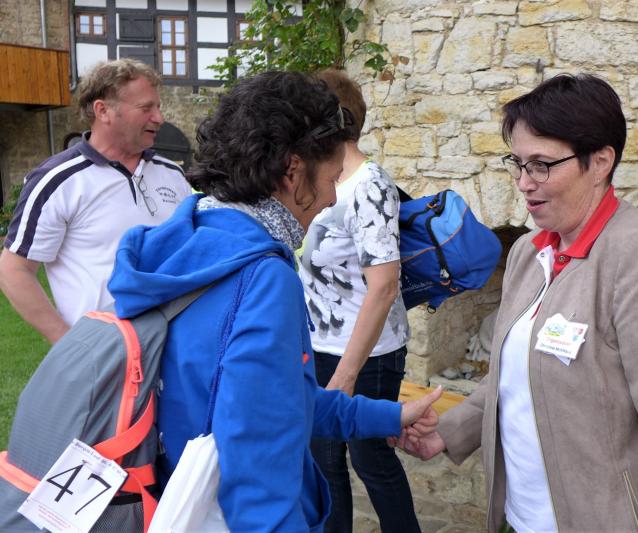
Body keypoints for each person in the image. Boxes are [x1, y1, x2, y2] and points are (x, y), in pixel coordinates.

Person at [106, 71, 440, 532]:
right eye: (332, 178)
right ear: (293, 170)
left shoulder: (188, 238)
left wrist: (389, 415)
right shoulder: (263, 280)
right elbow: (259, 473)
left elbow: (277, 399)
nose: (330, 198)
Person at [397, 73, 638, 532]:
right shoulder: (529, 253)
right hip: (519, 518)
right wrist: (447, 433)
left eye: (542, 165)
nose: (523, 182)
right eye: (517, 163)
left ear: (601, 162)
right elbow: (513, 377)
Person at [298, 68, 418, 533]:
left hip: (368, 355)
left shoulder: (369, 185)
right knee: (324, 463)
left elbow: (384, 285)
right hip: (321, 348)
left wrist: (347, 373)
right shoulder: (319, 178)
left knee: (372, 462)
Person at [0, 59, 191, 343]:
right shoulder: (58, 180)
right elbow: (14, 270)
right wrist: (70, 345)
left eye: (158, 107)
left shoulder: (172, 173)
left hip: (181, 346)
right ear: (103, 111)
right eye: (146, 108)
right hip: (106, 353)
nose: (159, 118)